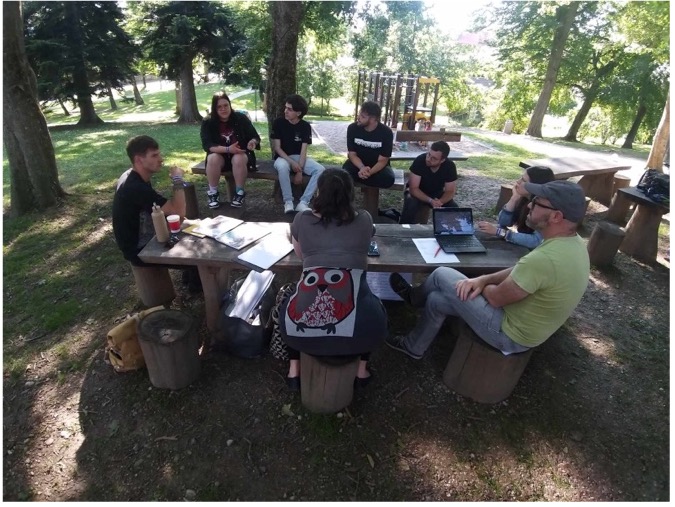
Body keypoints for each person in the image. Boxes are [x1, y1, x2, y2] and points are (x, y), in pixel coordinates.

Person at [386, 180, 590, 358]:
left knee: (442, 273)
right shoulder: (573, 243)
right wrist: (481, 280)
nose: (528, 205)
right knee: (437, 300)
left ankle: (414, 297)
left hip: (509, 334)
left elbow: (495, 298)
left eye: (536, 203)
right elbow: (520, 269)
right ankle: (413, 347)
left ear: (556, 216)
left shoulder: (544, 259)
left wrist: (477, 285)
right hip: (527, 326)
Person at [279, 168, 388, 391]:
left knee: (292, 303)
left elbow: (302, 256)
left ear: (319, 192)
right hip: (362, 330)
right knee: (366, 306)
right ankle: (361, 371)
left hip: (298, 335)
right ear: (350, 194)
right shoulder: (365, 220)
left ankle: (293, 371)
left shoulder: (301, 219)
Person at [112, 136, 201, 291]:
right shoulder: (136, 187)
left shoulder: (134, 176)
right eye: (154, 155)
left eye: (159, 154)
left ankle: (192, 283)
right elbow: (179, 212)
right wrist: (178, 180)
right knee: (202, 256)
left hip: (143, 238)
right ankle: (200, 289)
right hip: (140, 249)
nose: (161, 159)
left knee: (191, 230)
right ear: (139, 160)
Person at [200, 91, 261, 209]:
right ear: (215, 108)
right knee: (212, 157)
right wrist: (228, 149)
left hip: (240, 157)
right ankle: (213, 193)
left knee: (238, 158)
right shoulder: (208, 122)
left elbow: (255, 136)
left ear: (230, 105)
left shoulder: (240, 118)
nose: (223, 109)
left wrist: (252, 142)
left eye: (226, 105)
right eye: (219, 107)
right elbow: (207, 145)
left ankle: (239, 193)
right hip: (220, 158)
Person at [270, 94, 325, 214]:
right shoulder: (278, 123)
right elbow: (277, 148)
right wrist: (292, 163)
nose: (285, 111)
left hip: (299, 158)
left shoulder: (305, 126)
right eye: (285, 108)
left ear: (298, 113)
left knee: (320, 169)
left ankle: (303, 202)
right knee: (283, 167)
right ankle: (288, 202)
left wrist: (299, 171)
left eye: (289, 109)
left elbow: (303, 150)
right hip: (282, 157)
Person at [477, 165, 555, 249]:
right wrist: (514, 198)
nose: (518, 181)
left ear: (535, 186)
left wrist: (500, 232)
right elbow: (503, 223)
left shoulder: (546, 207)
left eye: (523, 180)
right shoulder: (524, 199)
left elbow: (536, 241)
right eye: (520, 178)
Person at [397, 141, 458, 224]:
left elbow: (450, 191)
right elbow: (413, 188)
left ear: (442, 160)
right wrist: (430, 201)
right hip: (417, 192)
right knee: (411, 203)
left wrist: (440, 202)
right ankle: (403, 229)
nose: (428, 159)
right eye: (429, 154)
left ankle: (449, 233)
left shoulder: (449, 166)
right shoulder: (420, 160)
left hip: (437, 193)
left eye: (434, 158)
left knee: (454, 208)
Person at [343, 101, 395, 189]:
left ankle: (360, 177)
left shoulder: (386, 132)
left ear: (373, 119)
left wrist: (369, 172)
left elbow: (383, 160)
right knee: (343, 175)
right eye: (359, 114)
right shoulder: (352, 128)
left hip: (377, 167)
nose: (358, 118)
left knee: (388, 179)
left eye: (362, 116)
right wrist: (362, 168)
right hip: (357, 164)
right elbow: (352, 154)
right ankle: (362, 177)